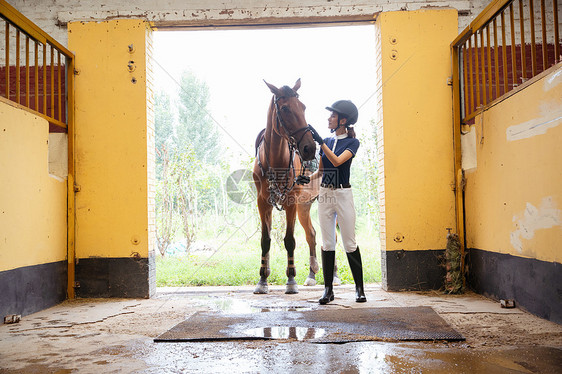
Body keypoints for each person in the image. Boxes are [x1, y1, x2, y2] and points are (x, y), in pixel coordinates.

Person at [308, 100, 366, 305]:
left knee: (349, 242)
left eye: (332, 116)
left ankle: (359, 289)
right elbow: (323, 170)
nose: (328, 118)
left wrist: (321, 143)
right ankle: (327, 290)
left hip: (343, 194)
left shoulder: (352, 143)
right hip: (326, 193)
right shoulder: (326, 140)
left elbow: (338, 161)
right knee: (327, 243)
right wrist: (307, 178)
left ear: (343, 120)